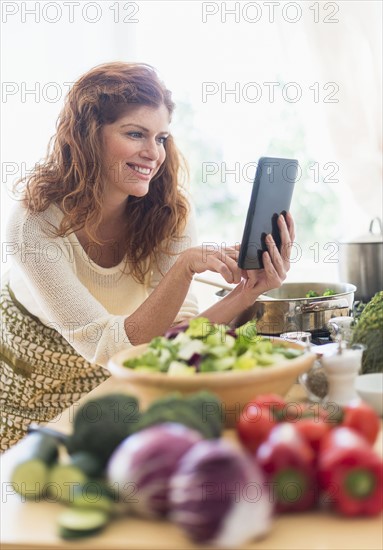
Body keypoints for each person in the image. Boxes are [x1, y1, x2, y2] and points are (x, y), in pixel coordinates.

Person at [0, 62, 295, 450]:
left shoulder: (170, 214)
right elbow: (108, 346)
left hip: (112, 371)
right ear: (88, 135)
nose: (153, 153)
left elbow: (176, 340)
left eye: (161, 138)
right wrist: (185, 266)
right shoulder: (34, 223)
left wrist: (246, 293)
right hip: (28, 374)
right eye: (135, 133)